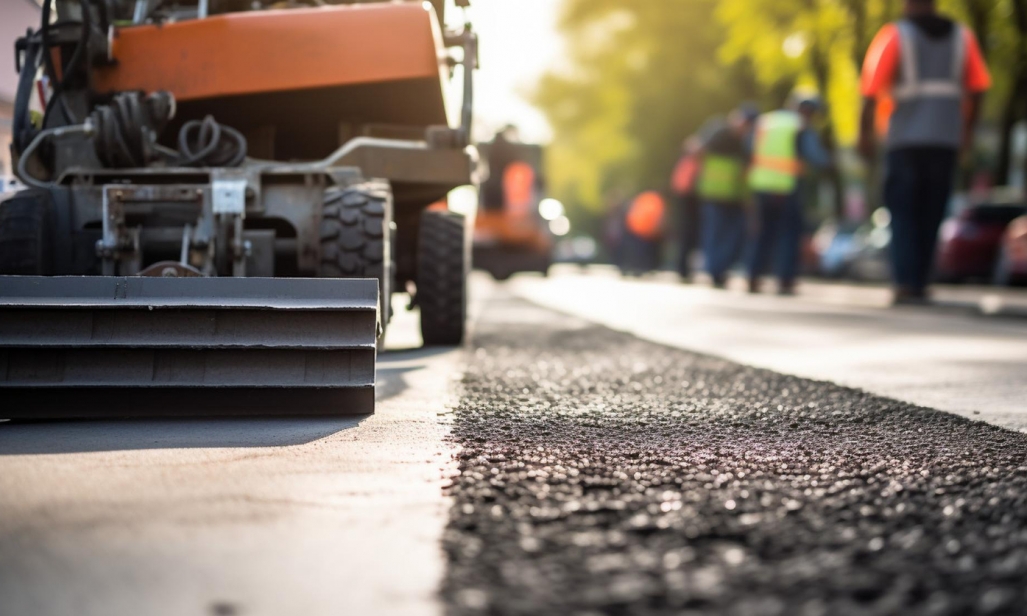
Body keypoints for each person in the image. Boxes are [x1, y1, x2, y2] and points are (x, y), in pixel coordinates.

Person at [858, 0, 991, 304]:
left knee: (904, 211)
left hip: (904, 139)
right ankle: (920, 281)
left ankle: (905, 280)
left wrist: (863, 134)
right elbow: (979, 87)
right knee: (932, 211)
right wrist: (967, 132)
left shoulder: (895, 34)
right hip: (945, 138)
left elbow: (870, 89)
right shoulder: (963, 37)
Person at [746, 98, 832, 295]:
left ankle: (753, 275)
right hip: (787, 187)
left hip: (761, 185)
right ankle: (785, 279)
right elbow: (816, 157)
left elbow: (749, 147)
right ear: (807, 111)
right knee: (789, 234)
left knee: (763, 233)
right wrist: (829, 162)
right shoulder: (801, 126)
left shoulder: (765, 122)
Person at [697, 104, 760, 288]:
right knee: (715, 233)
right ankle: (714, 271)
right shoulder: (718, 131)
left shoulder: (747, 142)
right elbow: (698, 149)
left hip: (734, 196)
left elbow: (747, 170)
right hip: (714, 193)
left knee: (734, 236)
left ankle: (720, 269)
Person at [670, 136, 703, 281]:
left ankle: (683, 268)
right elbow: (685, 186)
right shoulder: (691, 163)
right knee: (687, 237)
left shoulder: (685, 162)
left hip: (686, 201)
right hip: (688, 202)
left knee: (687, 237)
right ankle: (683, 269)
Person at [621, 190, 666, 275]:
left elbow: (632, 211)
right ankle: (642, 268)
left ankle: (635, 267)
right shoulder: (656, 200)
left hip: (637, 228)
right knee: (644, 254)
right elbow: (659, 218)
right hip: (646, 230)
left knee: (637, 252)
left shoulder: (642, 197)